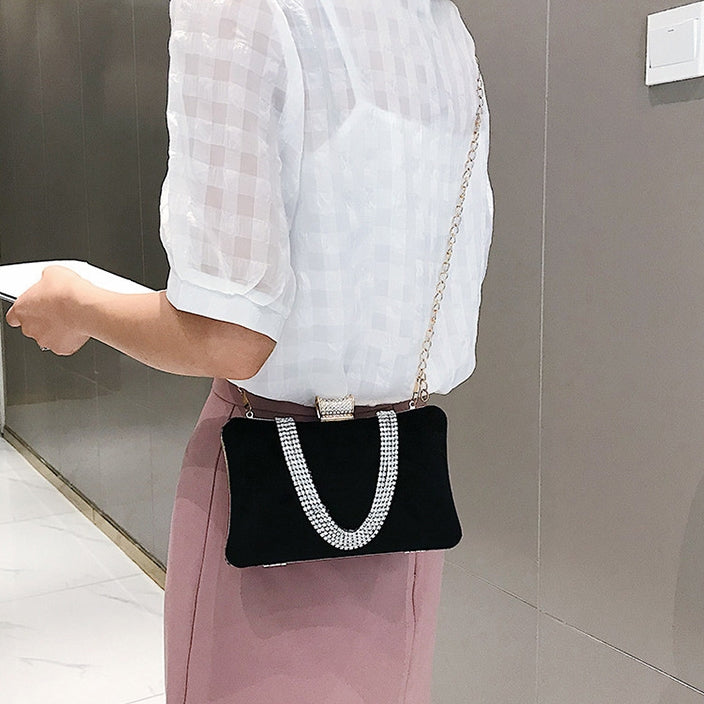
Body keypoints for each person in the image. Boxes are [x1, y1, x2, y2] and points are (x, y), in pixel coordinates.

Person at [5, 0, 493, 701]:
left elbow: (229, 338)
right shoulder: (441, 27)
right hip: (401, 492)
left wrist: (77, 305)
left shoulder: (240, 8)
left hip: (259, 478)